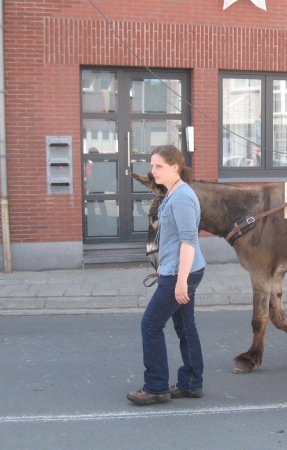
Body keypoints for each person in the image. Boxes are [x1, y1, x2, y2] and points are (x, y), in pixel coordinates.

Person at [127, 145, 206, 406]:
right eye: (152, 166)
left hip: (183, 272)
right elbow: (171, 238)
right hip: (178, 269)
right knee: (185, 327)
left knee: (150, 325)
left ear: (175, 167)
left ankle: (156, 386)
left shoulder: (182, 197)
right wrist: (164, 264)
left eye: (158, 166)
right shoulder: (172, 193)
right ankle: (191, 383)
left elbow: (188, 241)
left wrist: (180, 280)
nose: (153, 171)